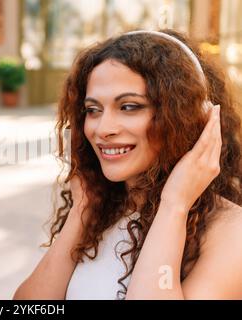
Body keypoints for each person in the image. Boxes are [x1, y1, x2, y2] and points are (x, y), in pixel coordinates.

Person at [14, 30, 242, 300]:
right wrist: (81, 213)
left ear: (188, 118)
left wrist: (175, 205)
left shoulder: (231, 231)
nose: (103, 128)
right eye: (93, 110)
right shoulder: (99, 209)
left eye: (129, 107)